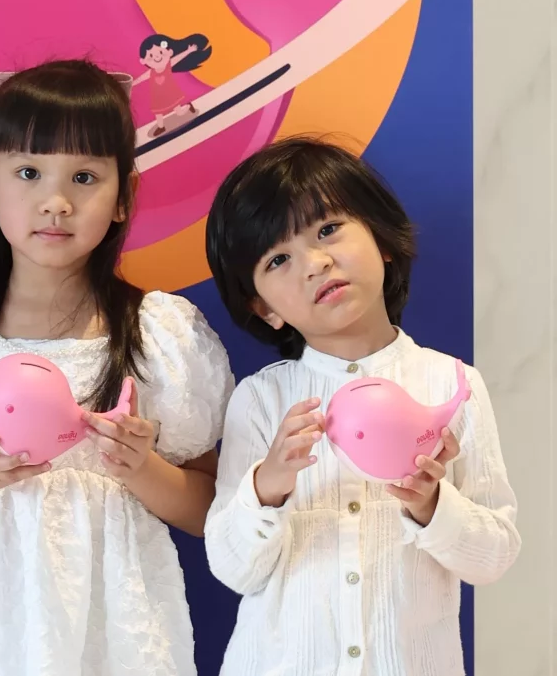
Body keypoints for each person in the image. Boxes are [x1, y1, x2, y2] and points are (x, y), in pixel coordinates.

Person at [0, 59, 233, 675]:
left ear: (122, 197)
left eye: (85, 177)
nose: (57, 202)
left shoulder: (159, 335)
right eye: (29, 173)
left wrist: (142, 468)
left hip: (118, 633)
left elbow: (214, 514)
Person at [203, 136, 521, 675]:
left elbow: (494, 558)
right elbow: (233, 569)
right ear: (264, 308)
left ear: (383, 239)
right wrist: (268, 485)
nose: (315, 263)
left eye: (328, 229)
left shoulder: (453, 385)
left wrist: (431, 505)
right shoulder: (260, 399)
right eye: (278, 259)